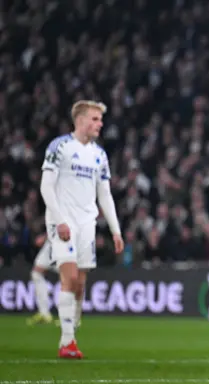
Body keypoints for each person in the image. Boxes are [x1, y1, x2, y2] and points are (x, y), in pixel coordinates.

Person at [40, 100, 124, 359]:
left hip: (88, 222)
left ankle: (71, 327)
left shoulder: (99, 155)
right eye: (95, 119)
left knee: (81, 282)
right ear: (80, 120)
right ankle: (67, 341)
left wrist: (116, 230)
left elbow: (105, 195)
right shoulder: (60, 147)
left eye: (100, 119)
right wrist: (59, 219)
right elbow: (46, 186)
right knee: (70, 277)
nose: (100, 124)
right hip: (63, 220)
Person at [26, 235, 56, 325]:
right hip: (53, 241)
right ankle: (44, 313)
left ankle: (72, 316)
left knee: (69, 275)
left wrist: (45, 236)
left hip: (64, 241)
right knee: (36, 273)